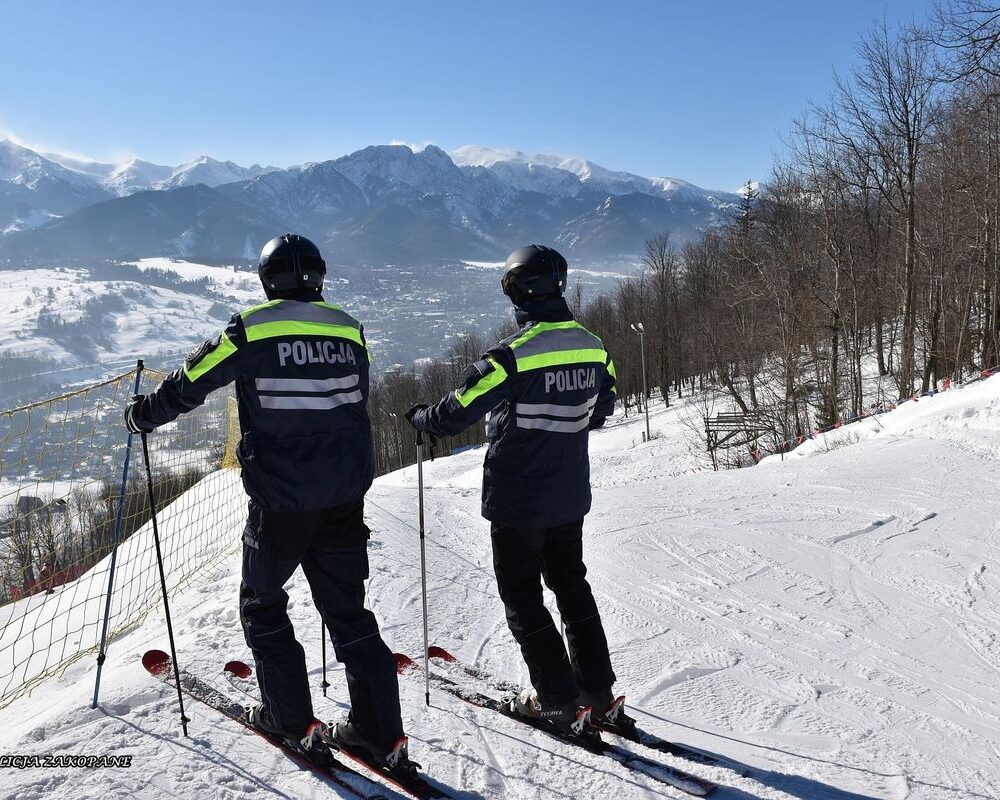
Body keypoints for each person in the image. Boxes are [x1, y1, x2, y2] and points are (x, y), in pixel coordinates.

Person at [124, 234, 411, 772]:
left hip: (282, 496)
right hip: (346, 490)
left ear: (267, 279)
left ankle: (288, 717)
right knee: (349, 612)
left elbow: (192, 380)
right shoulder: (349, 328)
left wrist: (144, 415)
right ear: (318, 277)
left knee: (262, 602)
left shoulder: (251, 327)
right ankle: (379, 732)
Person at [405, 244, 635, 737]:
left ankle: (556, 699)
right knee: (573, 589)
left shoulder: (511, 356)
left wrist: (421, 416)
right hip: (569, 495)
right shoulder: (594, 346)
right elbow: (603, 406)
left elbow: (455, 413)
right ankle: (597, 693)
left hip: (517, 500)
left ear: (518, 293)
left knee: (524, 599)